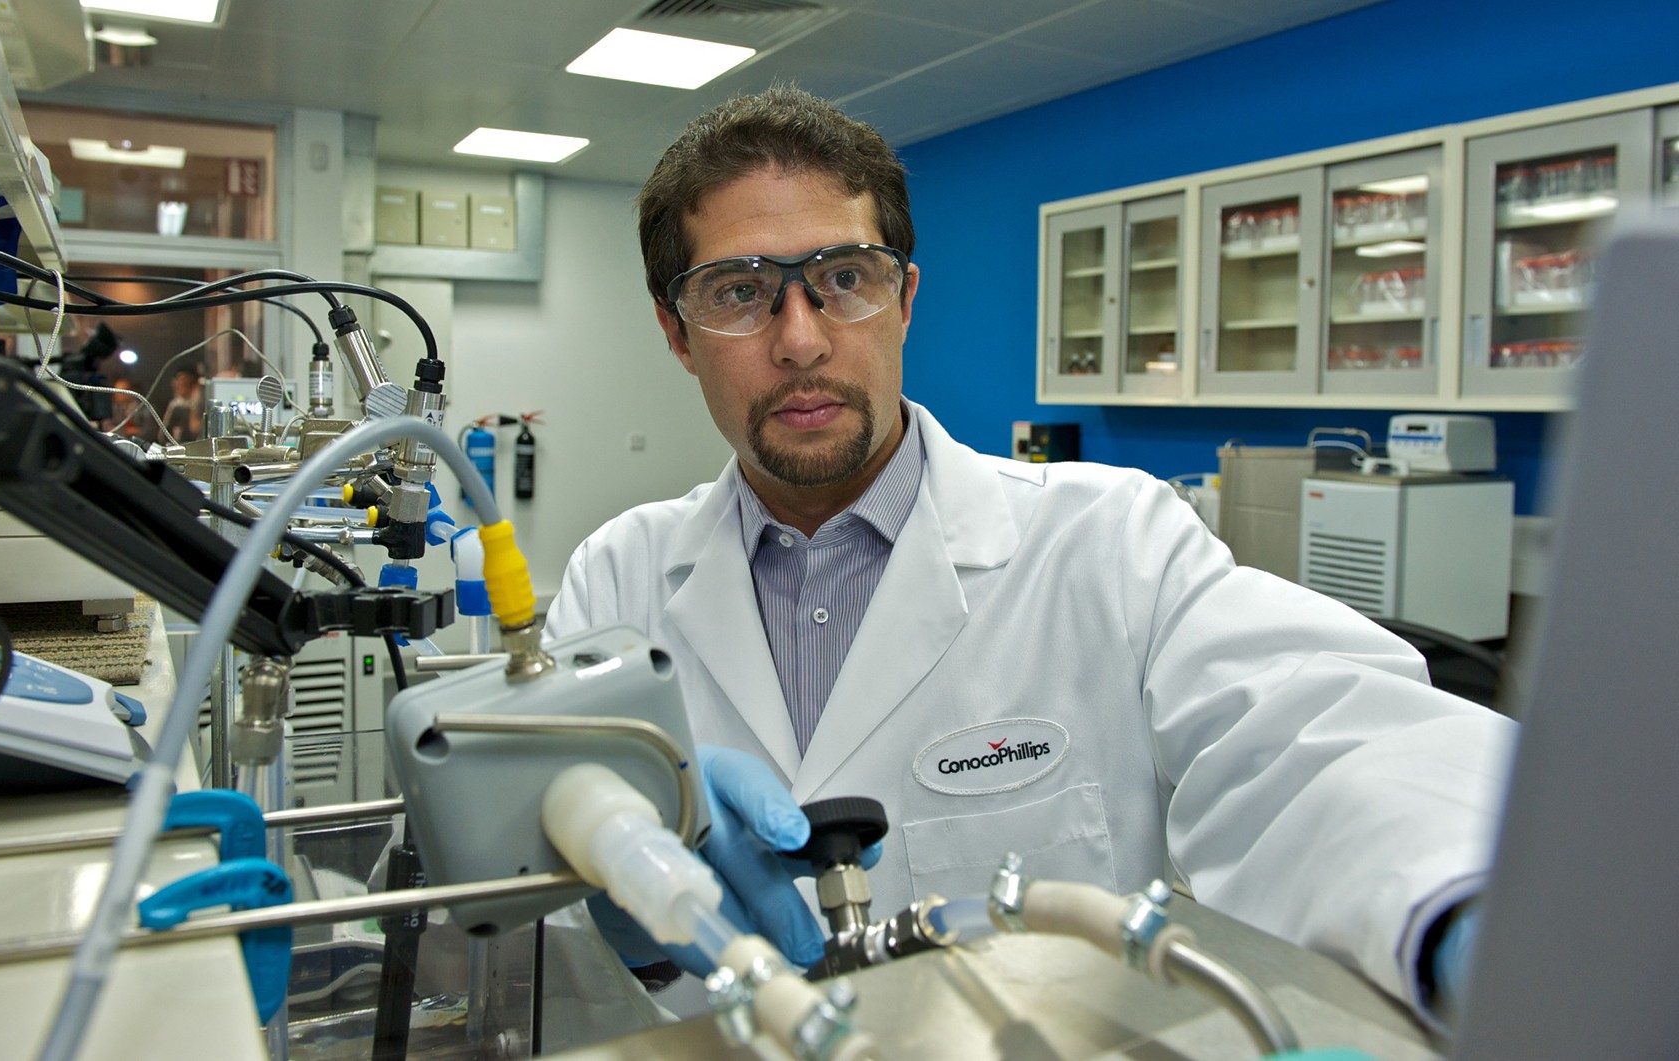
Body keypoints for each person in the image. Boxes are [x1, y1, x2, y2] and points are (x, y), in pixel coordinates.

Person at [542, 86, 1515, 1029]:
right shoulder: (616, 582)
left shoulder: (1110, 542)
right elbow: (530, 920)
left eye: (845, 278)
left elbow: (1316, 735)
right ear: (677, 331)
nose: (801, 339)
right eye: (740, 293)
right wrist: (630, 919)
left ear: (904, 298)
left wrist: (1487, 912)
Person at [162, 364, 204, 442]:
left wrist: (195, 403)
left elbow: (195, 429)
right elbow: (163, 436)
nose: (180, 386)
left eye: (185, 384)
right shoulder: (176, 406)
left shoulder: (201, 404)